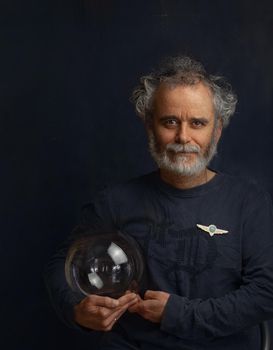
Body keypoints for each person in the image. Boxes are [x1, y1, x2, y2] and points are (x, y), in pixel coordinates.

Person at [45, 56, 273, 350]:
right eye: (170, 122)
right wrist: (76, 309)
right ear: (150, 127)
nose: (183, 137)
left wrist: (178, 314)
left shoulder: (248, 203)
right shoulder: (114, 203)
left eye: (198, 123)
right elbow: (60, 268)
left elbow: (267, 292)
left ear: (216, 130)